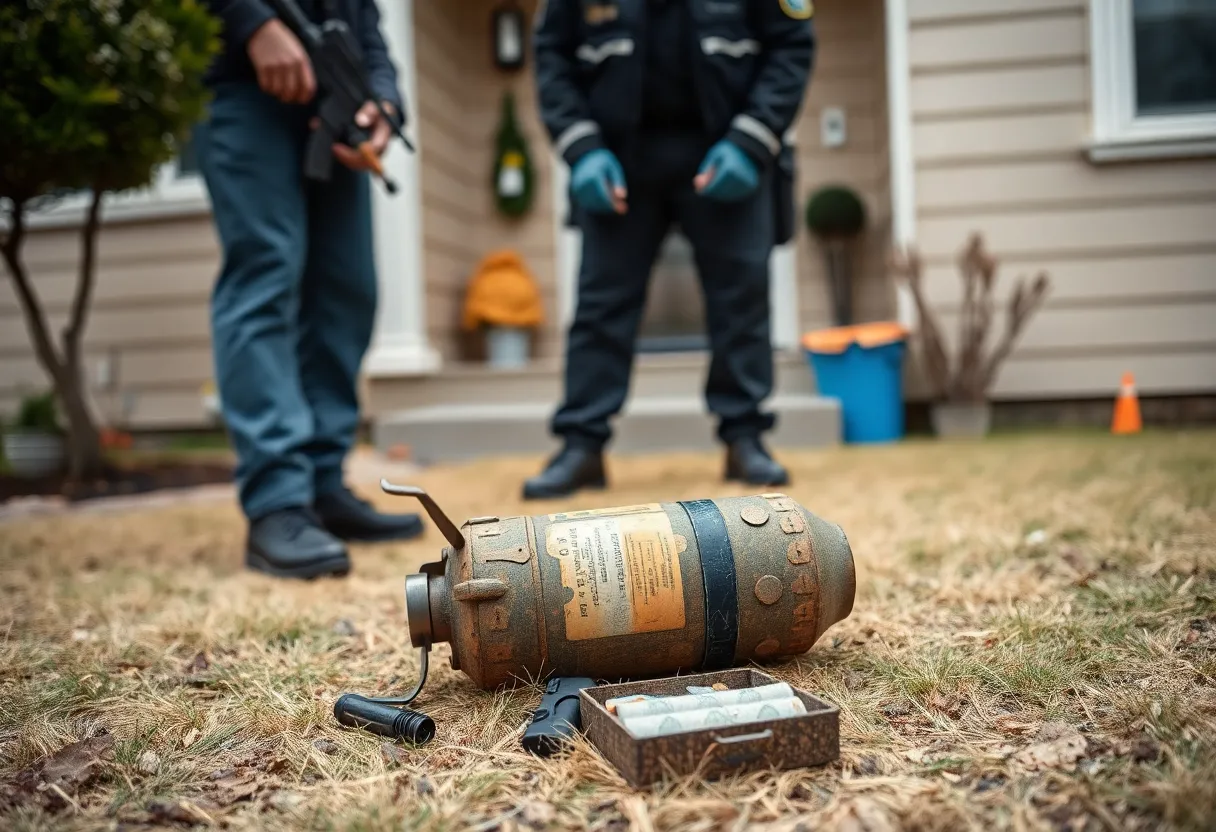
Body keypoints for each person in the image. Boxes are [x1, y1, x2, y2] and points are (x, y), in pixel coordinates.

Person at [525, 0, 816, 500]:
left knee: (741, 297)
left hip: (725, 147)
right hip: (619, 157)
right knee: (601, 303)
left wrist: (752, 139)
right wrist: (581, 147)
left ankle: (745, 438)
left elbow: (791, 45)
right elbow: (552, 54)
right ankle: (582, 445)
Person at [195, 0, 425, 579]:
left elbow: (368, 22)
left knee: (348, 289)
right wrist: (251, 21)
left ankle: (323, 487)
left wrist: (383, 95)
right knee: (264, 275)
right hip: (243, 86)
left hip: (336, 102)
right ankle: (278, 500)